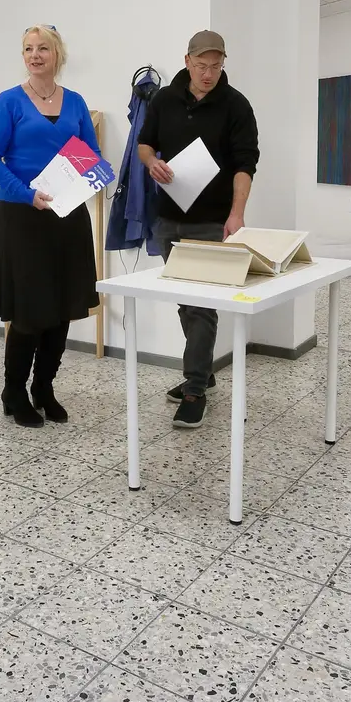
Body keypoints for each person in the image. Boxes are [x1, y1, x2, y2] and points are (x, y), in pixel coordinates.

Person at [0, 25, 101, 427]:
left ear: (57, 54)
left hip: (66, 217)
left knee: (61, 309)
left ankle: (43, 388)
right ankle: (13, 391)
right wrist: (26, 192)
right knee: (30, 312)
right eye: (28, 48)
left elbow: (91, 156)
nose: (34, 55)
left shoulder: (77, 102)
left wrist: (84, 180)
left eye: (42, 48)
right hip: (22, 217)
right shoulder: (10, 102)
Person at [137, 31, 260, 428]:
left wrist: (236, 214)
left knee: (203, 305)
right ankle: (203, 370)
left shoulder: (237, 105)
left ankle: (193, 390)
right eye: (202, 65)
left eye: (217, 65)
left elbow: (245, 165)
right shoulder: (163, 99)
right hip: (168, 216)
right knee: (184, 300)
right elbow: (143, 143)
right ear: (187, 61)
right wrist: (150, 162)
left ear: (224, 63)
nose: (209, 73)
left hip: (210, 220)